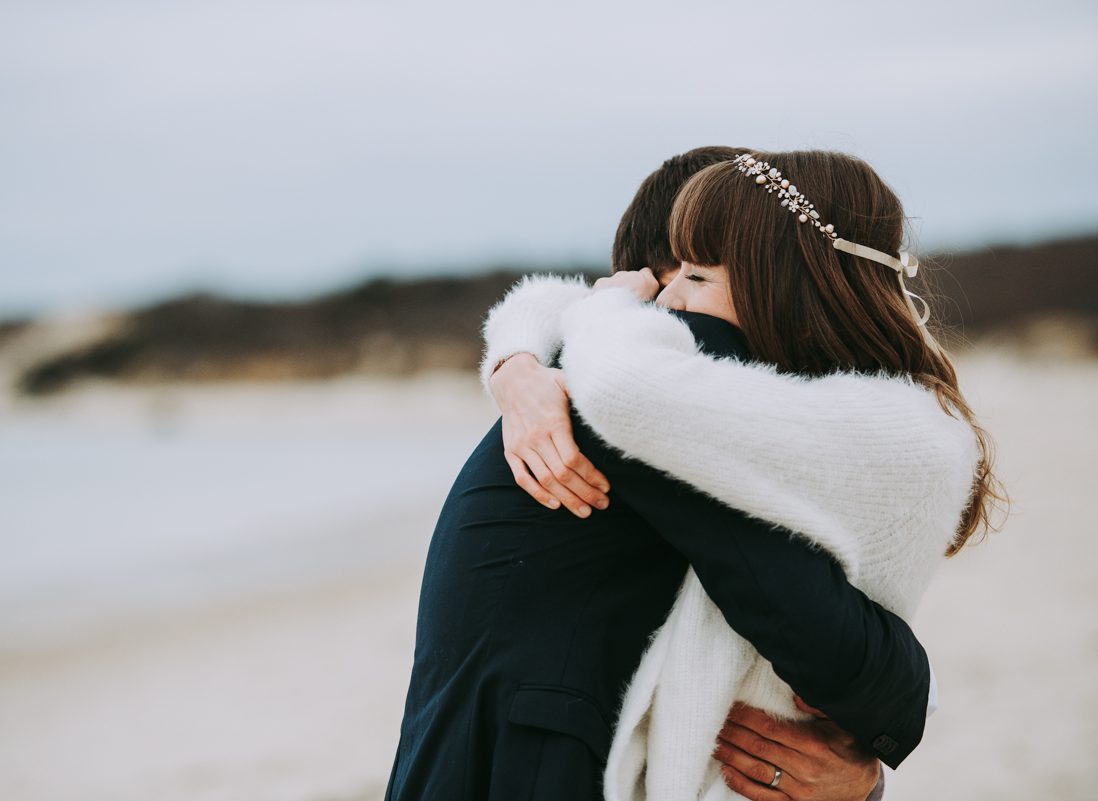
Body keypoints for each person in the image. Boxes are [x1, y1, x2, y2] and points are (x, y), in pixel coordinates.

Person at [385, 148, 941, 801]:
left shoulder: (587, 366)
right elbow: (801, 610)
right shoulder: (654, 382)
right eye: (688, 273)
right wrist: (895, 719)